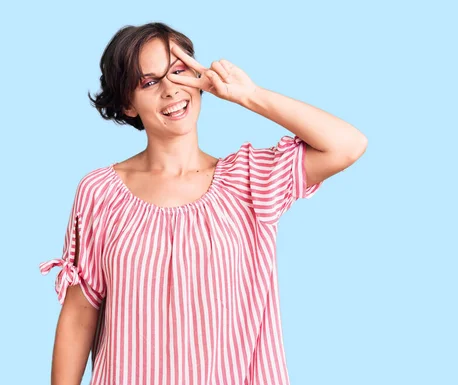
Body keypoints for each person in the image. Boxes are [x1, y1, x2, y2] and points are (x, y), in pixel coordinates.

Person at [39, 22, 367, 385]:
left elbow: (347, 145)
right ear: (128, 104)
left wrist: (248, 95)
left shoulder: (249, 181)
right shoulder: (100, 192)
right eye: (149, 82)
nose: (171, 90)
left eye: (178, 71)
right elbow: (79, 314)